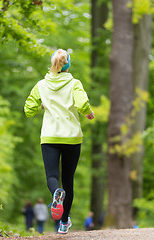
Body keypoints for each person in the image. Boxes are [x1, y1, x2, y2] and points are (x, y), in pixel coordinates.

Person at [24, 49, 94, 234]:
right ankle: (64, 224)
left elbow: (28, 109)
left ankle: (56, 193)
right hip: (72, 138)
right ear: (68, 65)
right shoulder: (74, 83)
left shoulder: (41, 85)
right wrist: (89, 112)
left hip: (50, 137)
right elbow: (82, 104)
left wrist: (41, 105)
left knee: (52, 177)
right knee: (68, 180)